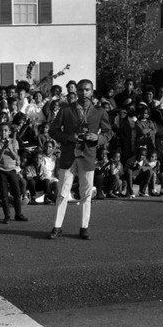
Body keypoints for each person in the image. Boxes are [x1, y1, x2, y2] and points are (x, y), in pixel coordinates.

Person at [48, 79, 113, 240]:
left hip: (88, 156)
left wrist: (96, 138)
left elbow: (109, 133)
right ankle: (57, 227)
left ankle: (84, 227)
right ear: (76, 91)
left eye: (87, 90)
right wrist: (69, 137)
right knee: (62, 193)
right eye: (80, 90)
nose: (83, 93)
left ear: (92, 92)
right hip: (69, 157)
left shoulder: (99, 111)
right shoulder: (65, 110)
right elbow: (53, 131)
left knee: (86, 194)